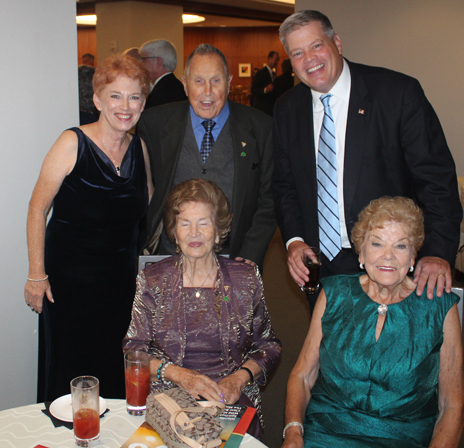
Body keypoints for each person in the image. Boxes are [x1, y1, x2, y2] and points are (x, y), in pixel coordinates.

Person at [273, 10, 463, 310]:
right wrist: (294, 240)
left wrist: (438, 251)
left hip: (390, 263)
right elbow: (285, 185)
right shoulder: (287, 108)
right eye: (297, 52)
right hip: (321, 266)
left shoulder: (397, 94)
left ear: (337, 42)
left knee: (391, 353)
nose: (309, 59)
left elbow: (436, 179)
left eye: (316, 45)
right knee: (328, 352)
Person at [282, 196, 464, 448]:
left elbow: (452, 405)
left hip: (403, 438)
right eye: (377, 244)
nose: (387, 256)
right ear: (361, 252)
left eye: (400, 246)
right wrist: (293, 432)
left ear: (413, 256)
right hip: (326, 433)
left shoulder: (438, 307)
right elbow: (303, 375)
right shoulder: (334, 293)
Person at [24, 54, 154, 401]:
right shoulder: (72, 143)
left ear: (144, 102)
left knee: (114, 371)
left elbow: (145, 207)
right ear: (97, 99)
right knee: (71, 377)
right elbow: (37, 208)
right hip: (69, 288)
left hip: (121, 288)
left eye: (135, 96)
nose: (125, 106)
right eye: (115, 95)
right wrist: (36, 274)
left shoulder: (140, 149)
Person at [123, 178, 281, 436]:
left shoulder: (245, 278)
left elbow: (268, 346)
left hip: (228, 398)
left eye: (203, 223)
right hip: (171, 396)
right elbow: (133, 351)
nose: (194, 233)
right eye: (184, 223)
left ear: (218, 231)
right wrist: (179, 376)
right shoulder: (152, 279)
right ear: (174, 232)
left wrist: (239, 378)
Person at [137, 44, 276, 271]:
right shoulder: (154, 123)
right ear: (185, 83)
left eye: (216, 81)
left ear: (229, 82)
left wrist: (251, 252)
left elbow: (269, 199)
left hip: (235, 257)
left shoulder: (261, 128)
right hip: (170, 256)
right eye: (198, 81)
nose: (207, 92)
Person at [139, 39, 187, 109]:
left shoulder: (158, 95)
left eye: (144, 60)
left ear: (158, 62)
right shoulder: (179, 87)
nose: (141, 64)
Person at [251, 51, 280, 116]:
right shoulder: (261, 72)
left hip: (271, 108)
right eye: (276, 60)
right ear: (269, 58)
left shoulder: (274, 74)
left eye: (278, 60)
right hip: (262, 108)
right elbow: (253, 89)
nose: (277, 63)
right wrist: (265, 89)